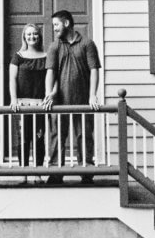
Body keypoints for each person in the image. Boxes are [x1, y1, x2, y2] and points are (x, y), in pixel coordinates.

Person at [40, 10, 102, 184]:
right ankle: (55, 173)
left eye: (56, 25)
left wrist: (92, 95)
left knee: (84, 135)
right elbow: (50, 72)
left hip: (82, 101)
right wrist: (48, 95)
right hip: (60, 103)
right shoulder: (55, 46)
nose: (54, 29)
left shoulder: (88, 44)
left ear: (66, 23)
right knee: (56, 135)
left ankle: (87, 172)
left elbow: (94, 70)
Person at [8, 24, 47, 179]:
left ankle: (37, 173)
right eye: (29, 34)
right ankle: (23, 173)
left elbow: (52, 78)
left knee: (39, 138)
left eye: (35, 34)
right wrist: (13, 99)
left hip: (40, 104)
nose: (32, 37)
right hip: (22, 104)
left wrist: (49, 96)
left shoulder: (46, 56)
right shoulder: (18, 56)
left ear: (39, 36)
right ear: (24, 36)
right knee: (24, 138)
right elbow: (12, 79)